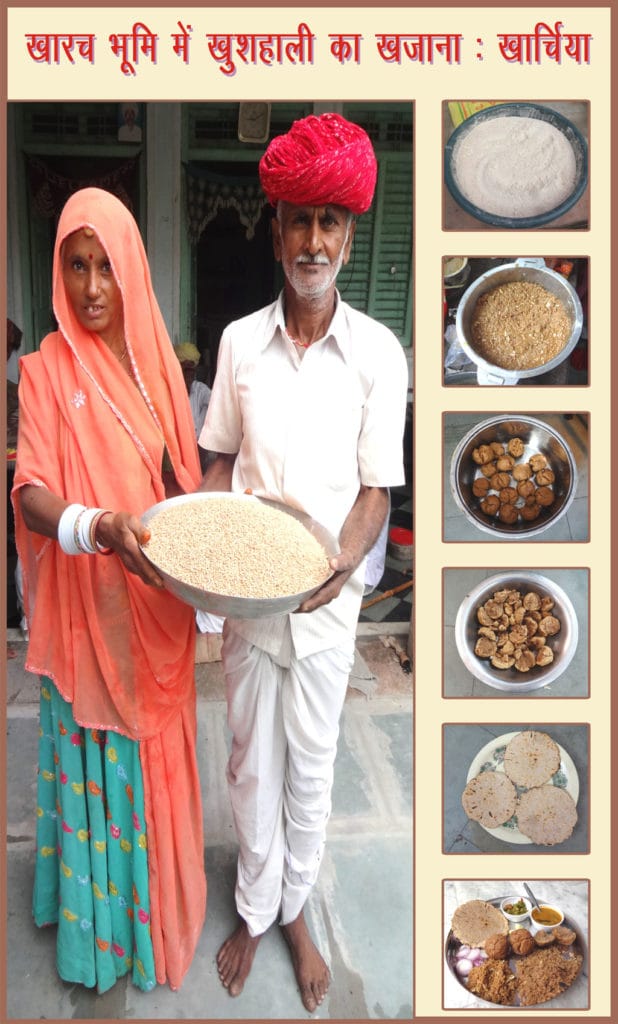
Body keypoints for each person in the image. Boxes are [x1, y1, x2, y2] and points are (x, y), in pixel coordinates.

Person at [198, 112, 408, 1012]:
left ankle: (296, 911)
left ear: (349, 235)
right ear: (275, 229)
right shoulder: (241, 343)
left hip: (326, 611)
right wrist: (203, 553)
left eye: (330, 221)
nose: (313, 240)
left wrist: (342, 564)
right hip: (251, 601)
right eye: (299, 220)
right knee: (251, 763)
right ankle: (254, 906)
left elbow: (376, 491)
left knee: (313, 765)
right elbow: (217, 461)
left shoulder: (380, 355)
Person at [11, 187, 206, 994]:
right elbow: (28, 491)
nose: (92, 286)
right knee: (101, 766)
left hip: (155, 602)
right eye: (75, 265)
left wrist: (210, 562)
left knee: (155, 757)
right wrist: (99, 526)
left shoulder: (159, 367)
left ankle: (156, 913)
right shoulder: (46, 372)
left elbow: (181, 482)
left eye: (105, 267)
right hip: (89, 615)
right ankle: (102, 942)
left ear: (132, 271)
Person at [173, 341, 212, 473]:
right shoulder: (170, 391)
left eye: (192, 370)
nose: (189, 375)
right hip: (177, 450)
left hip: (199, 449)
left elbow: (216, 404)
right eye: (186, 370)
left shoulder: (200, 389)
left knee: (210, 409)